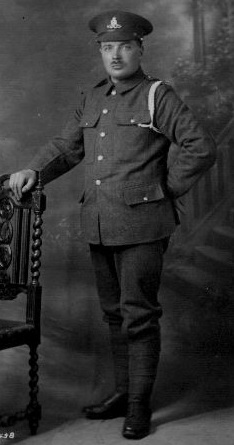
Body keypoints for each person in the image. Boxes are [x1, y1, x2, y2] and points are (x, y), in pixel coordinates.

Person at [9, 10, 217, 440]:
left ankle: (139, 407)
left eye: (124, 46)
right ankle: (122, 394)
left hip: (143, 226)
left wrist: (162, 190)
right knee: (114, 316)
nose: (116, 55)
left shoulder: (158, 94)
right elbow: (66, 148)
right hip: (100, 225)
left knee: (139, 317)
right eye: (108, 47)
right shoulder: (92, 97)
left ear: (140, 49)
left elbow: (201, 147)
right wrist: (34, 171)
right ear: (101, 52)